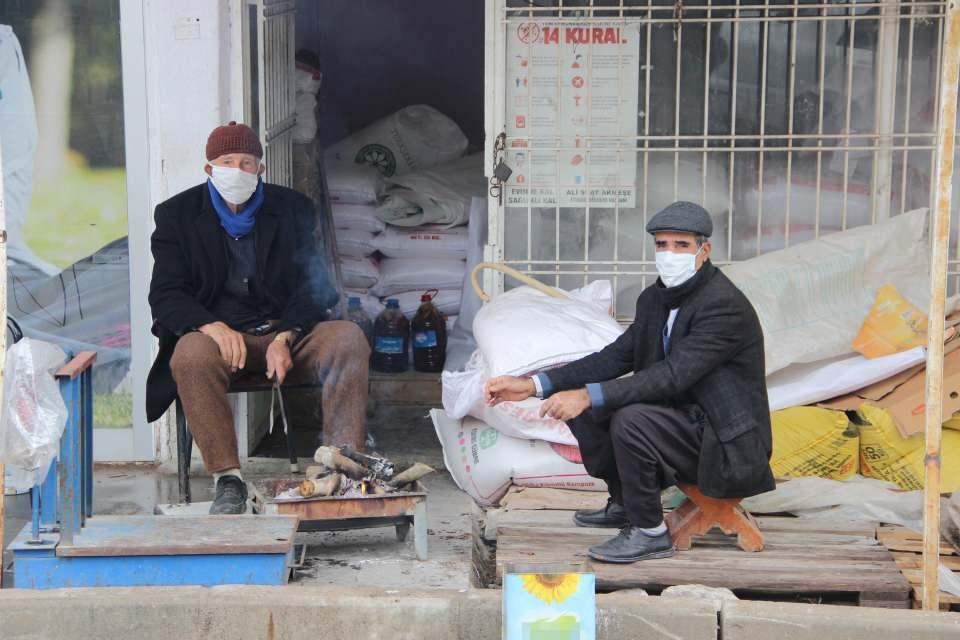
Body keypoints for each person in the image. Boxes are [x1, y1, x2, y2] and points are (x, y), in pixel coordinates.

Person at [484, 201, 774, 563]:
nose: (669, 254)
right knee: (590, 410)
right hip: (686, 422)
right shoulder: (656, 298)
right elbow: (617, 355)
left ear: (704, 251)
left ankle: (650, 533)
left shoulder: (722, 306)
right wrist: (533, 384)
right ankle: (626, 503)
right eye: (662, 245)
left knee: (627, 417)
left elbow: (672, 376)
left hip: (726, 442)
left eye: (681, 245)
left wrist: (590, 396)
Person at [147, 121, 370, 514]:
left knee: (348, 338)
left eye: (247, 162)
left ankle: (341, 464)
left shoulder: (292, 209)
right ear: (209, 170)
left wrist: (286, 336)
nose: (237, 170)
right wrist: (212, 327)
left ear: (260, 169)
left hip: (286, 333)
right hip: (219, 339)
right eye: (227, 162)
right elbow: (166, 294)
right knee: (189, 355)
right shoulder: (176, 216)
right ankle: (228, 479)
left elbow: (314, 286)